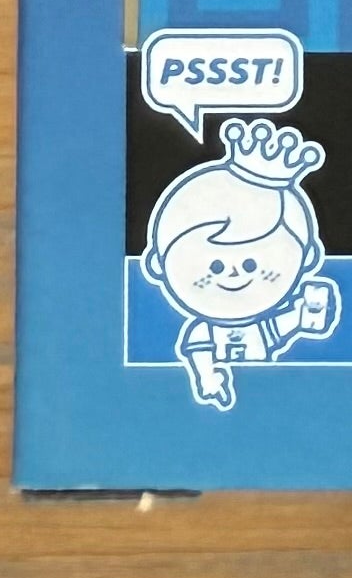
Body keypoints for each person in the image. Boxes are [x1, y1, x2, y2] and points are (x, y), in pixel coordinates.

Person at [142, 118, 337, 408]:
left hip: (279, 402)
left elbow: (296, 324)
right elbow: (199, 354)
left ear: (307, 258)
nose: (233, 273)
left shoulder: (265, 325)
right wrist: (208, 379)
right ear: (158, 264)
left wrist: (309, 312)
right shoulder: (204, 331)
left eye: (249, 265)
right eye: (216, 266)